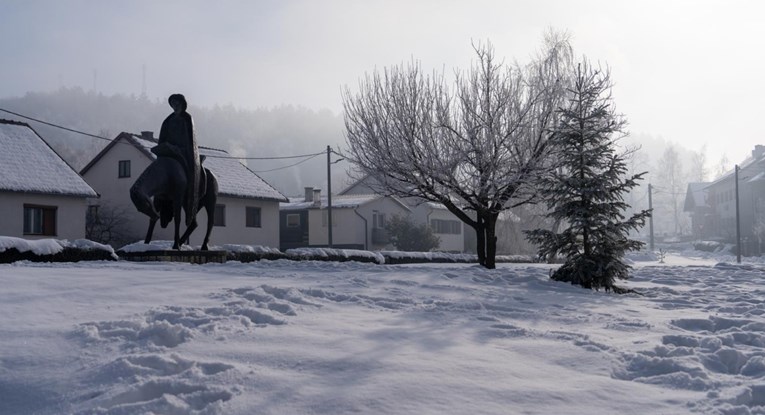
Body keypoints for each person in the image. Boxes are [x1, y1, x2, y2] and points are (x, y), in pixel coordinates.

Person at [155, 93, 200, 226]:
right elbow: (163, 138)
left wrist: (178, 149)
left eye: (176, 103)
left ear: (182, 103)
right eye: (172, 103)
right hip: (169, 153)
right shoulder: (168, 120)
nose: (174, 105)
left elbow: (190, 141)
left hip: (183, 154)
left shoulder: (187, 119)